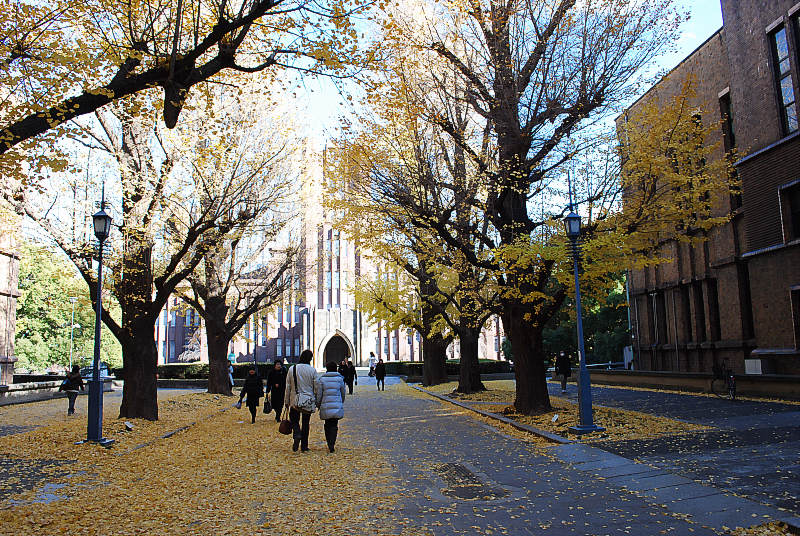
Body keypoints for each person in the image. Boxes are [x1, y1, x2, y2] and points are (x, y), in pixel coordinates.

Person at [284, 350, 318, 452]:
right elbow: (316, 387)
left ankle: (297, 433)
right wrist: (316, 398)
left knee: (294, 420)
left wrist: (286, 401)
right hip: (307, 400)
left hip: (295, 399)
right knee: (306, 423)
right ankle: (304, 446)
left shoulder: (292, 369)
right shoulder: (312, 370)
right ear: (310, 359)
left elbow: (288, 386)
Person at [316, 361, 346, 453]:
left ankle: (329, 441)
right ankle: (332, 442)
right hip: (336, 404)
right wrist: (341, 402)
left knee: (327, 424)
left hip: (325, 405)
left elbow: (319, 394)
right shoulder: (340, 379)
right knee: (334, 424)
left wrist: (318, 404)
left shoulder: (322, 380)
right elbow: (343, 393)